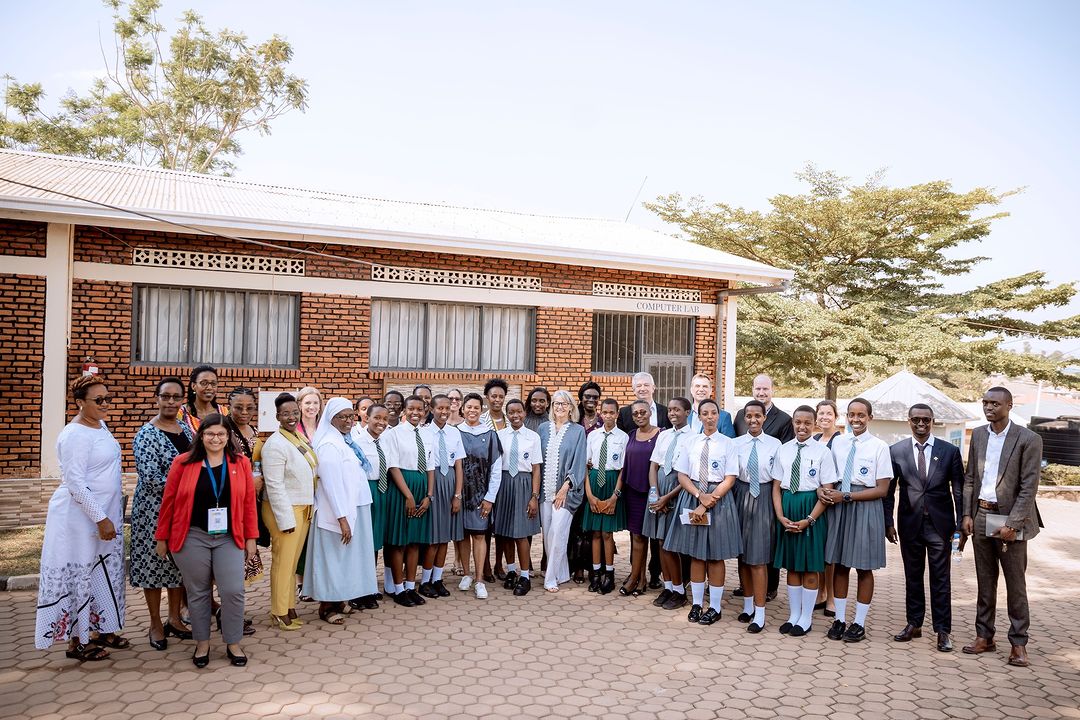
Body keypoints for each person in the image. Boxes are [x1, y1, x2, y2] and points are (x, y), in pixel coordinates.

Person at [35, 375, 128, 660]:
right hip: (79, 519)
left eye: (107, 398)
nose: (105, 404)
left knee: (103, 573)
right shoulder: (73, 434)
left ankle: (102, 628)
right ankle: (77, 641)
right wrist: (101, 519)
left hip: (105, 513)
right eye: (98, 400)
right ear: (79, 403)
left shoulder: (100, 425)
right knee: (81, 575)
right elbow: (75, 483)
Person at [156, 413, 258, 667]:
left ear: (228, 437)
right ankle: (202, 644)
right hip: (192, 535)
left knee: (233, 590)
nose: (216, 438)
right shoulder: (183, 463)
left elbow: (248, 503)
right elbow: (168, 502)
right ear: (201, 435)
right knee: (198, 592)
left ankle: (233, 642)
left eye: (221, 434)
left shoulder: (240, 463)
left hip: (228, 536)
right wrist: (162, 537)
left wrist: (251, 538)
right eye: (210, 433)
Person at [961, 387, 1043, 668]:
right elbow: (970, 477)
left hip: (1010, 519)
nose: (989, 408)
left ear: (1009, 405)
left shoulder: (1029, 438)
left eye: (995, 403)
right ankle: (984, 636)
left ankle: (1019, 644)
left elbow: (1028, 487)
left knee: (1015, 585)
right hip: (982, 514)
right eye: (985, 403)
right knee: (985, 581)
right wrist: (967, 514)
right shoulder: (980, 435)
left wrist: (1013, 523)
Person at [885, 404, 964, 652]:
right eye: (916, 419)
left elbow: (959, 491)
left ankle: (943, 630)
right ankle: (914, 623)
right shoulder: (895, 451)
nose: (921, 424)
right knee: (912, 576)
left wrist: (961, 525)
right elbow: (889, 492)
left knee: (941, 579)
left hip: (940, 526)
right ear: (909, 421)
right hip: (910, 524)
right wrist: (888, 522)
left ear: (933, 421)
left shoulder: (949, 451)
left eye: (926, 420)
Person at [819, 398, 891, 643]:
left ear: (869, 417)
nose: (856, 419)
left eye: (861, 415)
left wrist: (847, 495)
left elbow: (882, 489)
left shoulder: (879, 446)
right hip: (839, 507)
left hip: (864, 507)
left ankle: (859, 622)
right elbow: (826, 473)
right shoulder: (838, 442)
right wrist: (824, 491)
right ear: (846, 417)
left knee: (863, 566)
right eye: (852, 415)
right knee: (839, 564)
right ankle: (839, 619)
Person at [663, 399, 740, 625]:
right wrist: (699, 496)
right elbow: (682, 475)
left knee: (715, 556)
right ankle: (697, 604)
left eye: (713, 413)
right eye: (704, 413)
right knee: (697, 555)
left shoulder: (728, 443)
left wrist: (707, 502)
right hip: (694, 494)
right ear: (698, 416)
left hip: (719, 500)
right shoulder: (691, 442)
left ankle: (715, 607)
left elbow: (730, 478)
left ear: (719, 416)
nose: (709, 417)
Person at [131, 377, 194, 650]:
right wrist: (190, 486)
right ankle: (156, 623)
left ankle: (175, 618)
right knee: (153, 566)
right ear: (156, 399)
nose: (170, 402)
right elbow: (151, 478)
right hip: (153, 512)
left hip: (184, 511)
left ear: (182, 400)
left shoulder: (186, 430)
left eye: (176, 397)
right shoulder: (146, 434)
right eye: (165, 396)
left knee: (179, 565)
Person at [303, 398, 378, 624]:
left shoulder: (346, 441)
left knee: (346, 558)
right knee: (333, 559)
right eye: (341, 417)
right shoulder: (329, 445)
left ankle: (339, 599)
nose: (347, 421)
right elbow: (331, 484)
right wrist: (342, 518)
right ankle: (326, 606)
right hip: (338, 512)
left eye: (350, 416)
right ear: (331, 419)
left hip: (355, 507)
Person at [772, 405, 834, 637]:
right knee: (792, 566)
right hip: (788, 506)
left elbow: (827, 491)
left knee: (809, 566)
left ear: (814, 424)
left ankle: (806, 617)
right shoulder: (784, 449)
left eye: (808, 422)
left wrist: (809, 519)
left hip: (811, 509)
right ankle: (793, 615)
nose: (802, 426)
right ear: (793, 423)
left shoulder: (822, 452)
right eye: (798, 422)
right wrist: (780, 515)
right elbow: (777, 487)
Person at [733, 374, 794, 602]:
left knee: (765, 545)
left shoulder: (781, 427)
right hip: (742, 491)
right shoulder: (739, 420)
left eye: (765, 388)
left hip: (767, 492)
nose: (761, 392)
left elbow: (782, 468)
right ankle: (747, 593)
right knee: (743, 544)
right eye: (757, 388)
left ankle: (768, 589)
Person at [259, 393, 316, 630]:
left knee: (292, 563)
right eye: (286, 413)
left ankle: (289, 605)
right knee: (283, 562)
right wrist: (285, 519)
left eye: (295, 412)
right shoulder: (275, 444)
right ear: (277, 417)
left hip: (302, 506)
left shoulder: (296, 437)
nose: (291, 417)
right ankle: (279, 611)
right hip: (285, 510)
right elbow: (274, 485)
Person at [728, 400, 783, 631]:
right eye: (748, 416)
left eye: (757, 416)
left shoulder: (775, 444)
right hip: (740, 494)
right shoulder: (735, 444)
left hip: (763, 497)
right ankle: (748, 605)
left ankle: (760, 613)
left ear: (764, 418)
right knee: (743, 555)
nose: (752, 420)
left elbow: (778, 479)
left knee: (758, 558)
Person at [384, 396, 436, 606]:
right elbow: (393, 466)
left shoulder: (427, 434)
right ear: (404, 411)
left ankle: (409, 586)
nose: (416, 412)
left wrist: (429, 495)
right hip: (402, 490)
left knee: (415, 542)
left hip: (422, 488)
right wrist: (408, 496)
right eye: (411, 409)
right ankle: (397, 589)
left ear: (425, 411)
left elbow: (431, 466)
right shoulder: (394, 434)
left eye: (420, 409)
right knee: (399, 542)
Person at [644, 397, 694, 610]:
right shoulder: (663, 435)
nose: (672, 413)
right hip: (659, 489)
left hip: (677, 490)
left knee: (673, 545)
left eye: (677, 410)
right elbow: (654, 466)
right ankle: (669, 586)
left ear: (688, 412)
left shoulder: (694, 438)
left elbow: (688, 475)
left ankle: (680, 590)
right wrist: (655, 494)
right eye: (670, 410)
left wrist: (668, 497)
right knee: (660, 543)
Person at [537, 390, 588, 593]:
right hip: (544, 491)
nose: (559, 407)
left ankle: (550, 578)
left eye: (564, 404)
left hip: (566, 492)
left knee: (558, 532)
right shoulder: (542, 429)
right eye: (556, 403)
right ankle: (562, 572)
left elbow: (579, 461)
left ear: (571, 408)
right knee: (548, 535)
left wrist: (565, 487)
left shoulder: (577, 431)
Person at [493, 399, 543, 595]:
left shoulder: (533, 437)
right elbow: (495, 465)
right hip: (504, 483)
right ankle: (511, 571)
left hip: (523, 483)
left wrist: (534, 496)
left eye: (519, 412)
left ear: (524, 413)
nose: (515, 415)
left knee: (521, 533)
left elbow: (536, 468)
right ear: (507, 414)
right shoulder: (499, 435)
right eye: (511, 412)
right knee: (505, 532)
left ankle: (524, 575)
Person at [456, 393, 504, 599]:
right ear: (462, 409)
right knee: (463, 535)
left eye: (476, 407)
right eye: (469, 407)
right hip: (459, 493)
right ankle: (466, 574)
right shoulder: (455, 432)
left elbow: (496, 468)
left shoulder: (491, 435)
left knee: (479, 535)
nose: (472, 411)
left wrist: (489, 497)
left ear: (481, 410)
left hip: (480, 494)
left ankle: (479, 580)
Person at [419, 395, 466, 599]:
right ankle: (425, 581)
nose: (444, 412)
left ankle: (437, 579)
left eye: (448, 408)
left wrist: (457, 494)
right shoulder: (422, 432)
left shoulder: (454, 432)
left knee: (444, 536)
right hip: (433, 480)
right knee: (432, 538)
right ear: (431, 408)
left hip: (450, 483)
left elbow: (459, 466)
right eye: (440, 408)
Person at [583, 398, 628, 594]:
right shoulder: (592, 436)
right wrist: (590, 496)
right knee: (594, 532)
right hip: (594, 483)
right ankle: (595, 573)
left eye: (612, 412)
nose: (608, 415)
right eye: (605, 412)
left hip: (611, 484)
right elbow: (584, 466)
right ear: (600, 413)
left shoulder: (624, 437)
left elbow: (623, 470)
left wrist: (615, 496)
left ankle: (609, 574)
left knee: (607, 533)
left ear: (617, 414)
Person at [619, 399, 661, 596]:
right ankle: (637, 577)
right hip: (632, 492)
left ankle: (643, 579)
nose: (639, 416)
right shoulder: (631, 435)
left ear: (649, 413)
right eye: (635, 413)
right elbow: (625, 464)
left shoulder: (661, 434)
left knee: (653, 538)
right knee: (636, 536)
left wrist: (658, 492)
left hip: (652, 493)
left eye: (642, 412)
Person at [353, 403, 392, 607]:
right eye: (377, 418)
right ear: (366, 418)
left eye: (385, 419)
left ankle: (369, 585)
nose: (381, 423)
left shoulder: (387, 441)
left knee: (375, 541)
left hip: (383, 492)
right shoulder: (357, 443)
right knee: (364, 541)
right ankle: (358, 590)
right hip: (365, 492)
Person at [813, 399, 841, 616]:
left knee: (829, 551)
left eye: (828, 413)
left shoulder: (841, 441)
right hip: (813, 500)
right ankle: (820, 592)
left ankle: (831, 597)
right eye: (821, 413)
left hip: (832, 500)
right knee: (818, 549)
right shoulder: (813, 439)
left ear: (836, 417)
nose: (824, 417)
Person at [179, 365, 226, 433]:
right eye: (204, 383)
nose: (209, 387)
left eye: (213, 383)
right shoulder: (181, 414)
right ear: (193, 386)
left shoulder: (224, 412)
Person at [687, 373, 735, 437]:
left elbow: (730, 443)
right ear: (691, 390)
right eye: (697, 386)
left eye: (705, 386)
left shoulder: (724, 417)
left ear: (710, 390)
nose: (701, 389)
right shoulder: (684, 415)